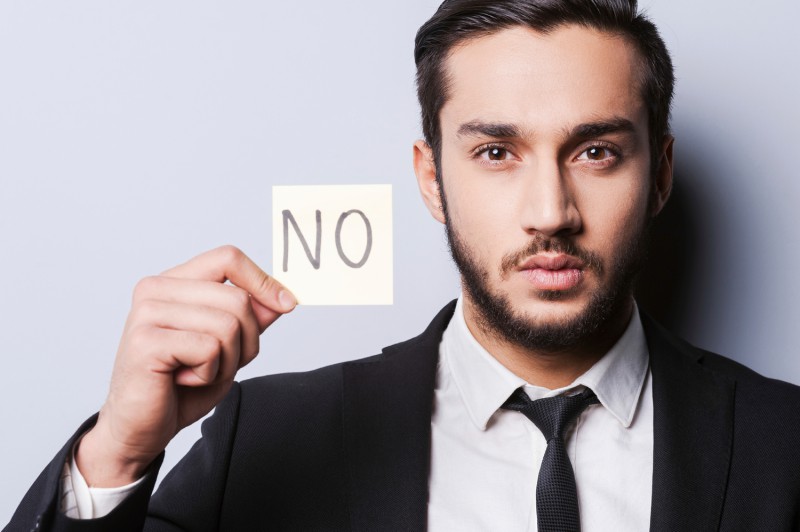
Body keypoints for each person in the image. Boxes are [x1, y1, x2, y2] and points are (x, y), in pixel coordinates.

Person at [6, 0, 800, 530]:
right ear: (431, 177)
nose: (550, 210)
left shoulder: (785, 443)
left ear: (658, 173)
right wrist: (112, 455)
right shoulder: (271, 434)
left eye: (596, 152)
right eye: (496, 152)